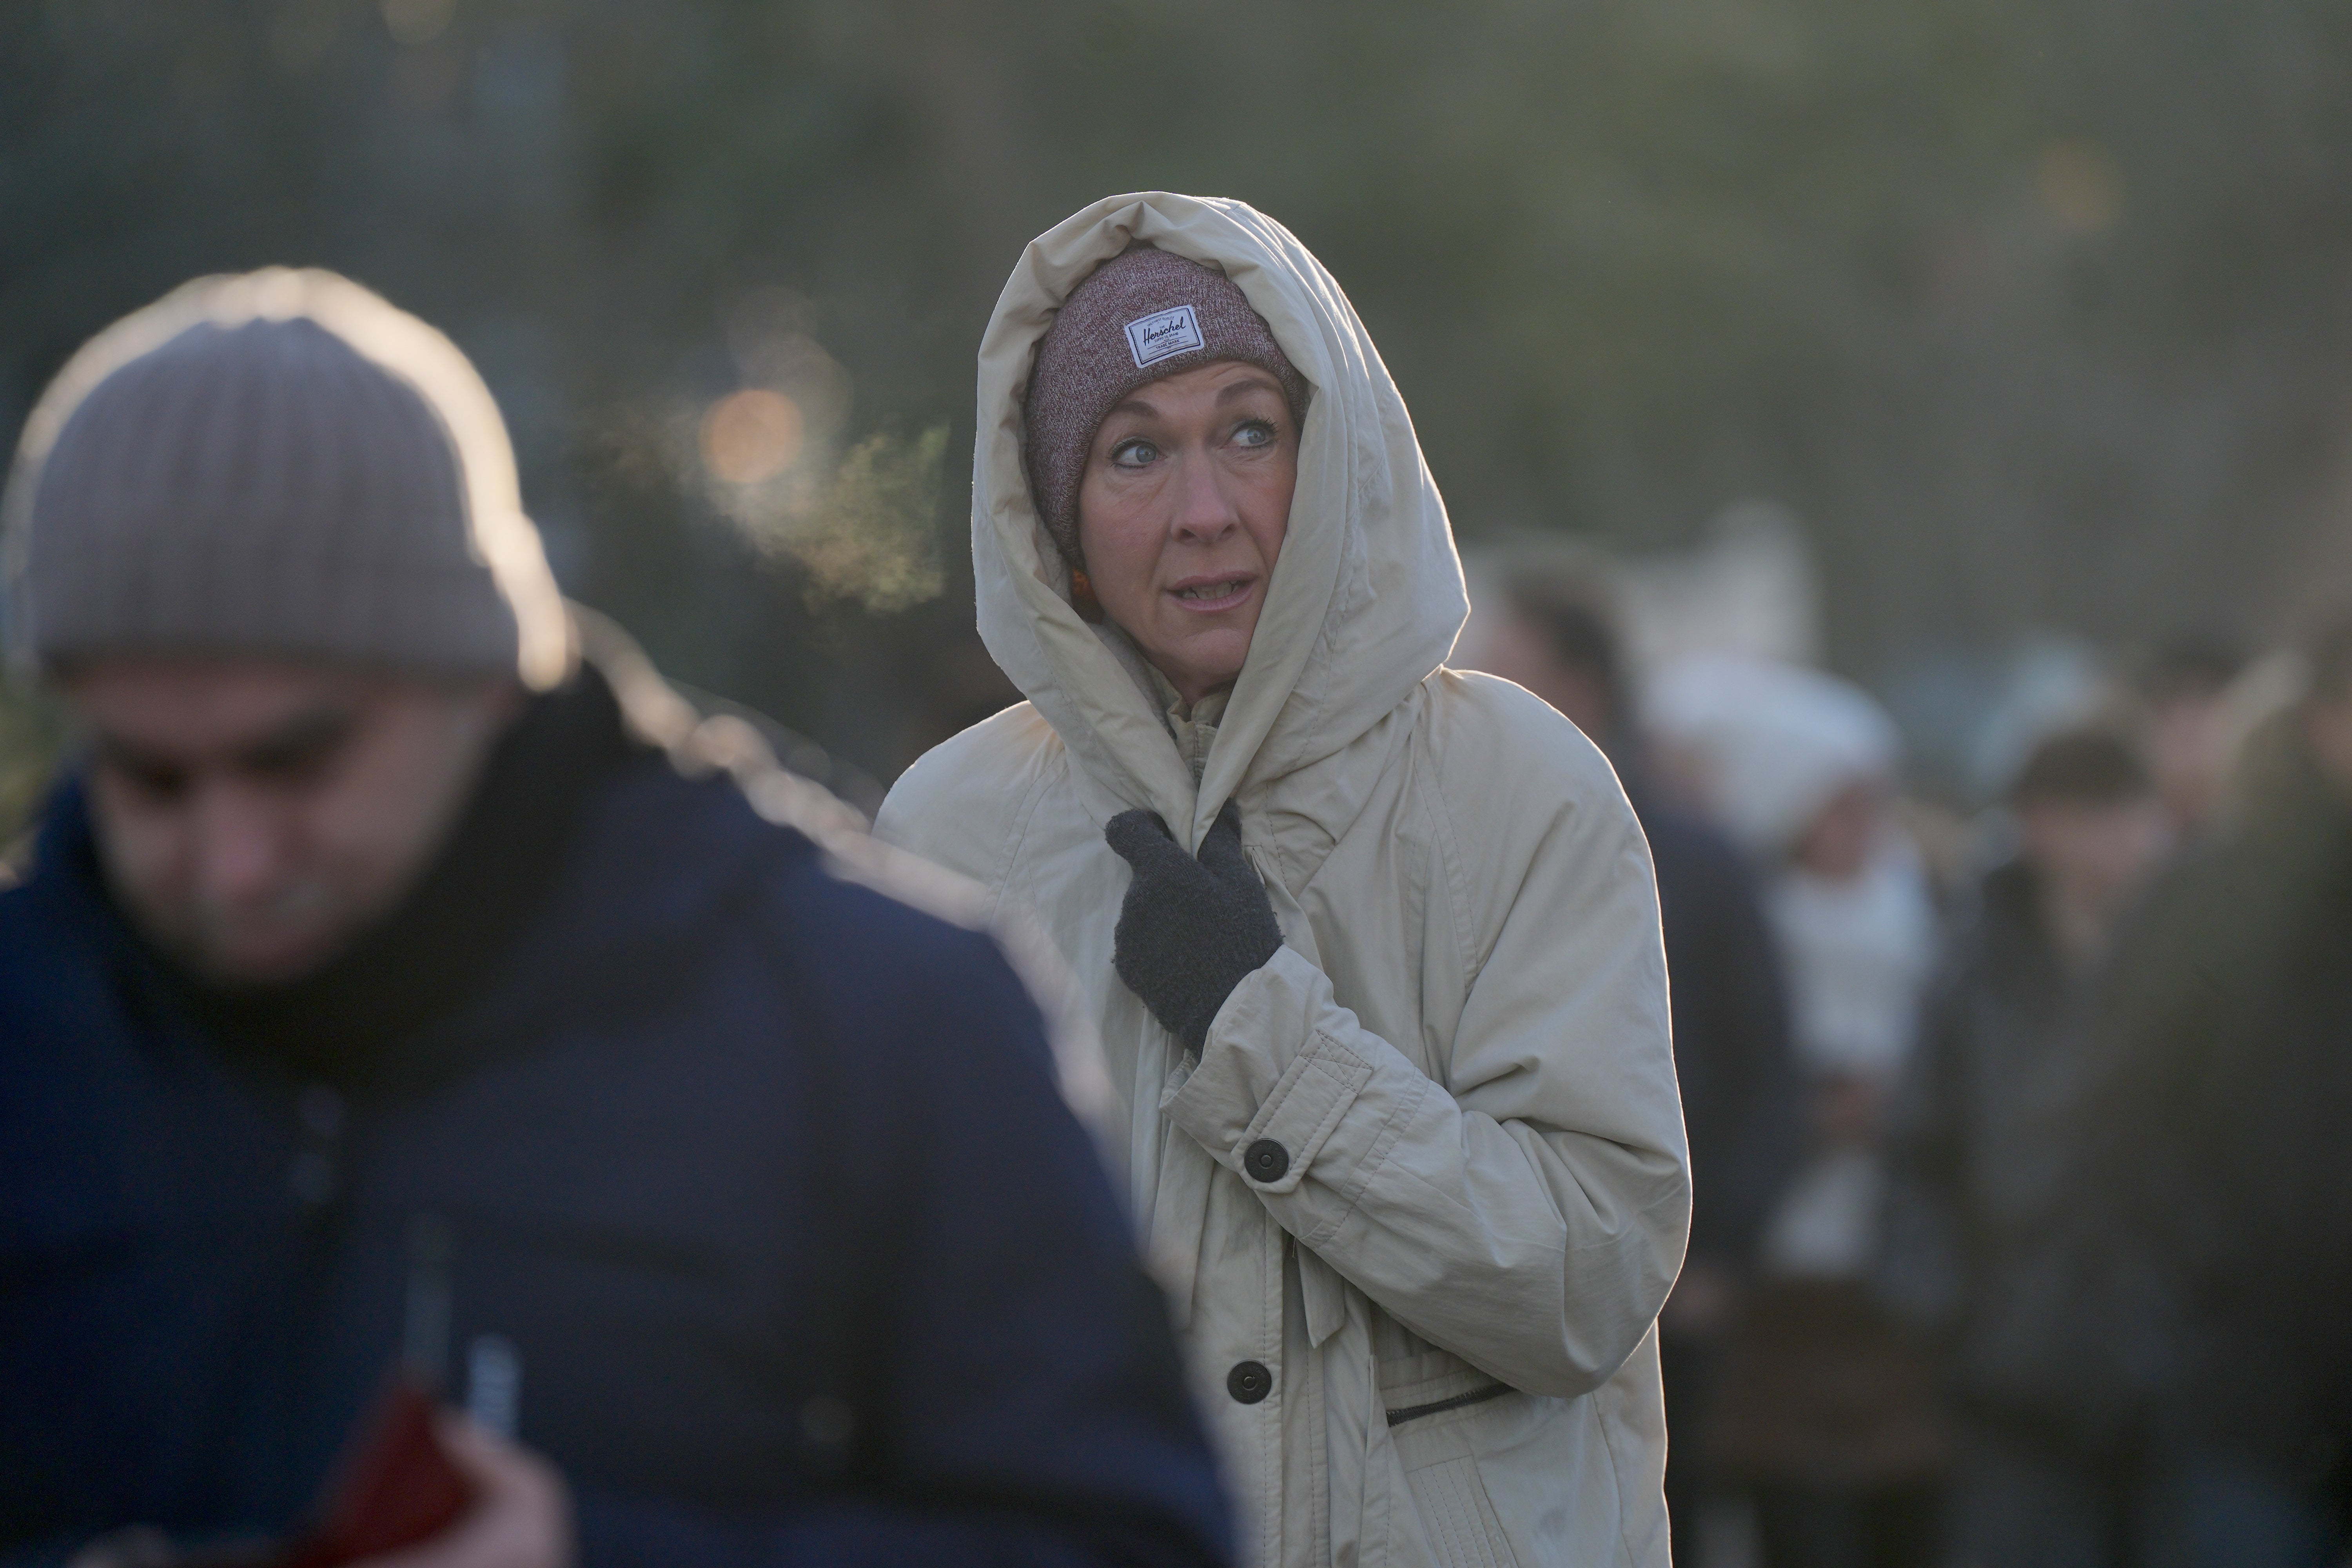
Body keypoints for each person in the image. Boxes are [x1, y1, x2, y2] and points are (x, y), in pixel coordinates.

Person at [0, 269, 1231, 1568]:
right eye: (151, 780)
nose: (233, 862)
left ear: (484, 675)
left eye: (296, 763)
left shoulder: (889, 1024)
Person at [875, 195, 1691, 1567]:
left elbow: (1587, 1278)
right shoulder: (952, 835)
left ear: (1336, 461)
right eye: (1135, 452)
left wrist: (1264, 1033)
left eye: (1250, 431)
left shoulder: (1523, 786)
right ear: (1057, 522)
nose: (1205, 511)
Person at [1459, 550, 1802, 1565]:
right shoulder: (1455, 844)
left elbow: (1763, 1068)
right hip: (1505, 1275)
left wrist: (1719, 1255)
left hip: (1674, 1291)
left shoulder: (1692, 857)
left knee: (1667, 1515)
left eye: (1504, 660)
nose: (1470, 680)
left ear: (1580, 682)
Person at [2060, 616, 2352, 1568]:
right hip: (2245, 1399)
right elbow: (2116, 1117)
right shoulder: (2215, 895)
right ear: (2322, 720)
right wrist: (2202, 1296)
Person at [1646, 655, 1944, 1568]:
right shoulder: (1747, 913)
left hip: (1897, 1274)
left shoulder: (1921, 908)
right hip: (1773, 1281)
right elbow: (1736, 1078)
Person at [1882, 728, 2172, 1568]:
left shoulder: (2196, 959)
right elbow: (1917, 1150)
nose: (2127, 839)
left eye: (2134, 813)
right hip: (2010, 1374)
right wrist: (1942, 1312)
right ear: (2039, 823)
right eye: (2100, 815)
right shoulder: (1973, 969)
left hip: (2175, 1380)